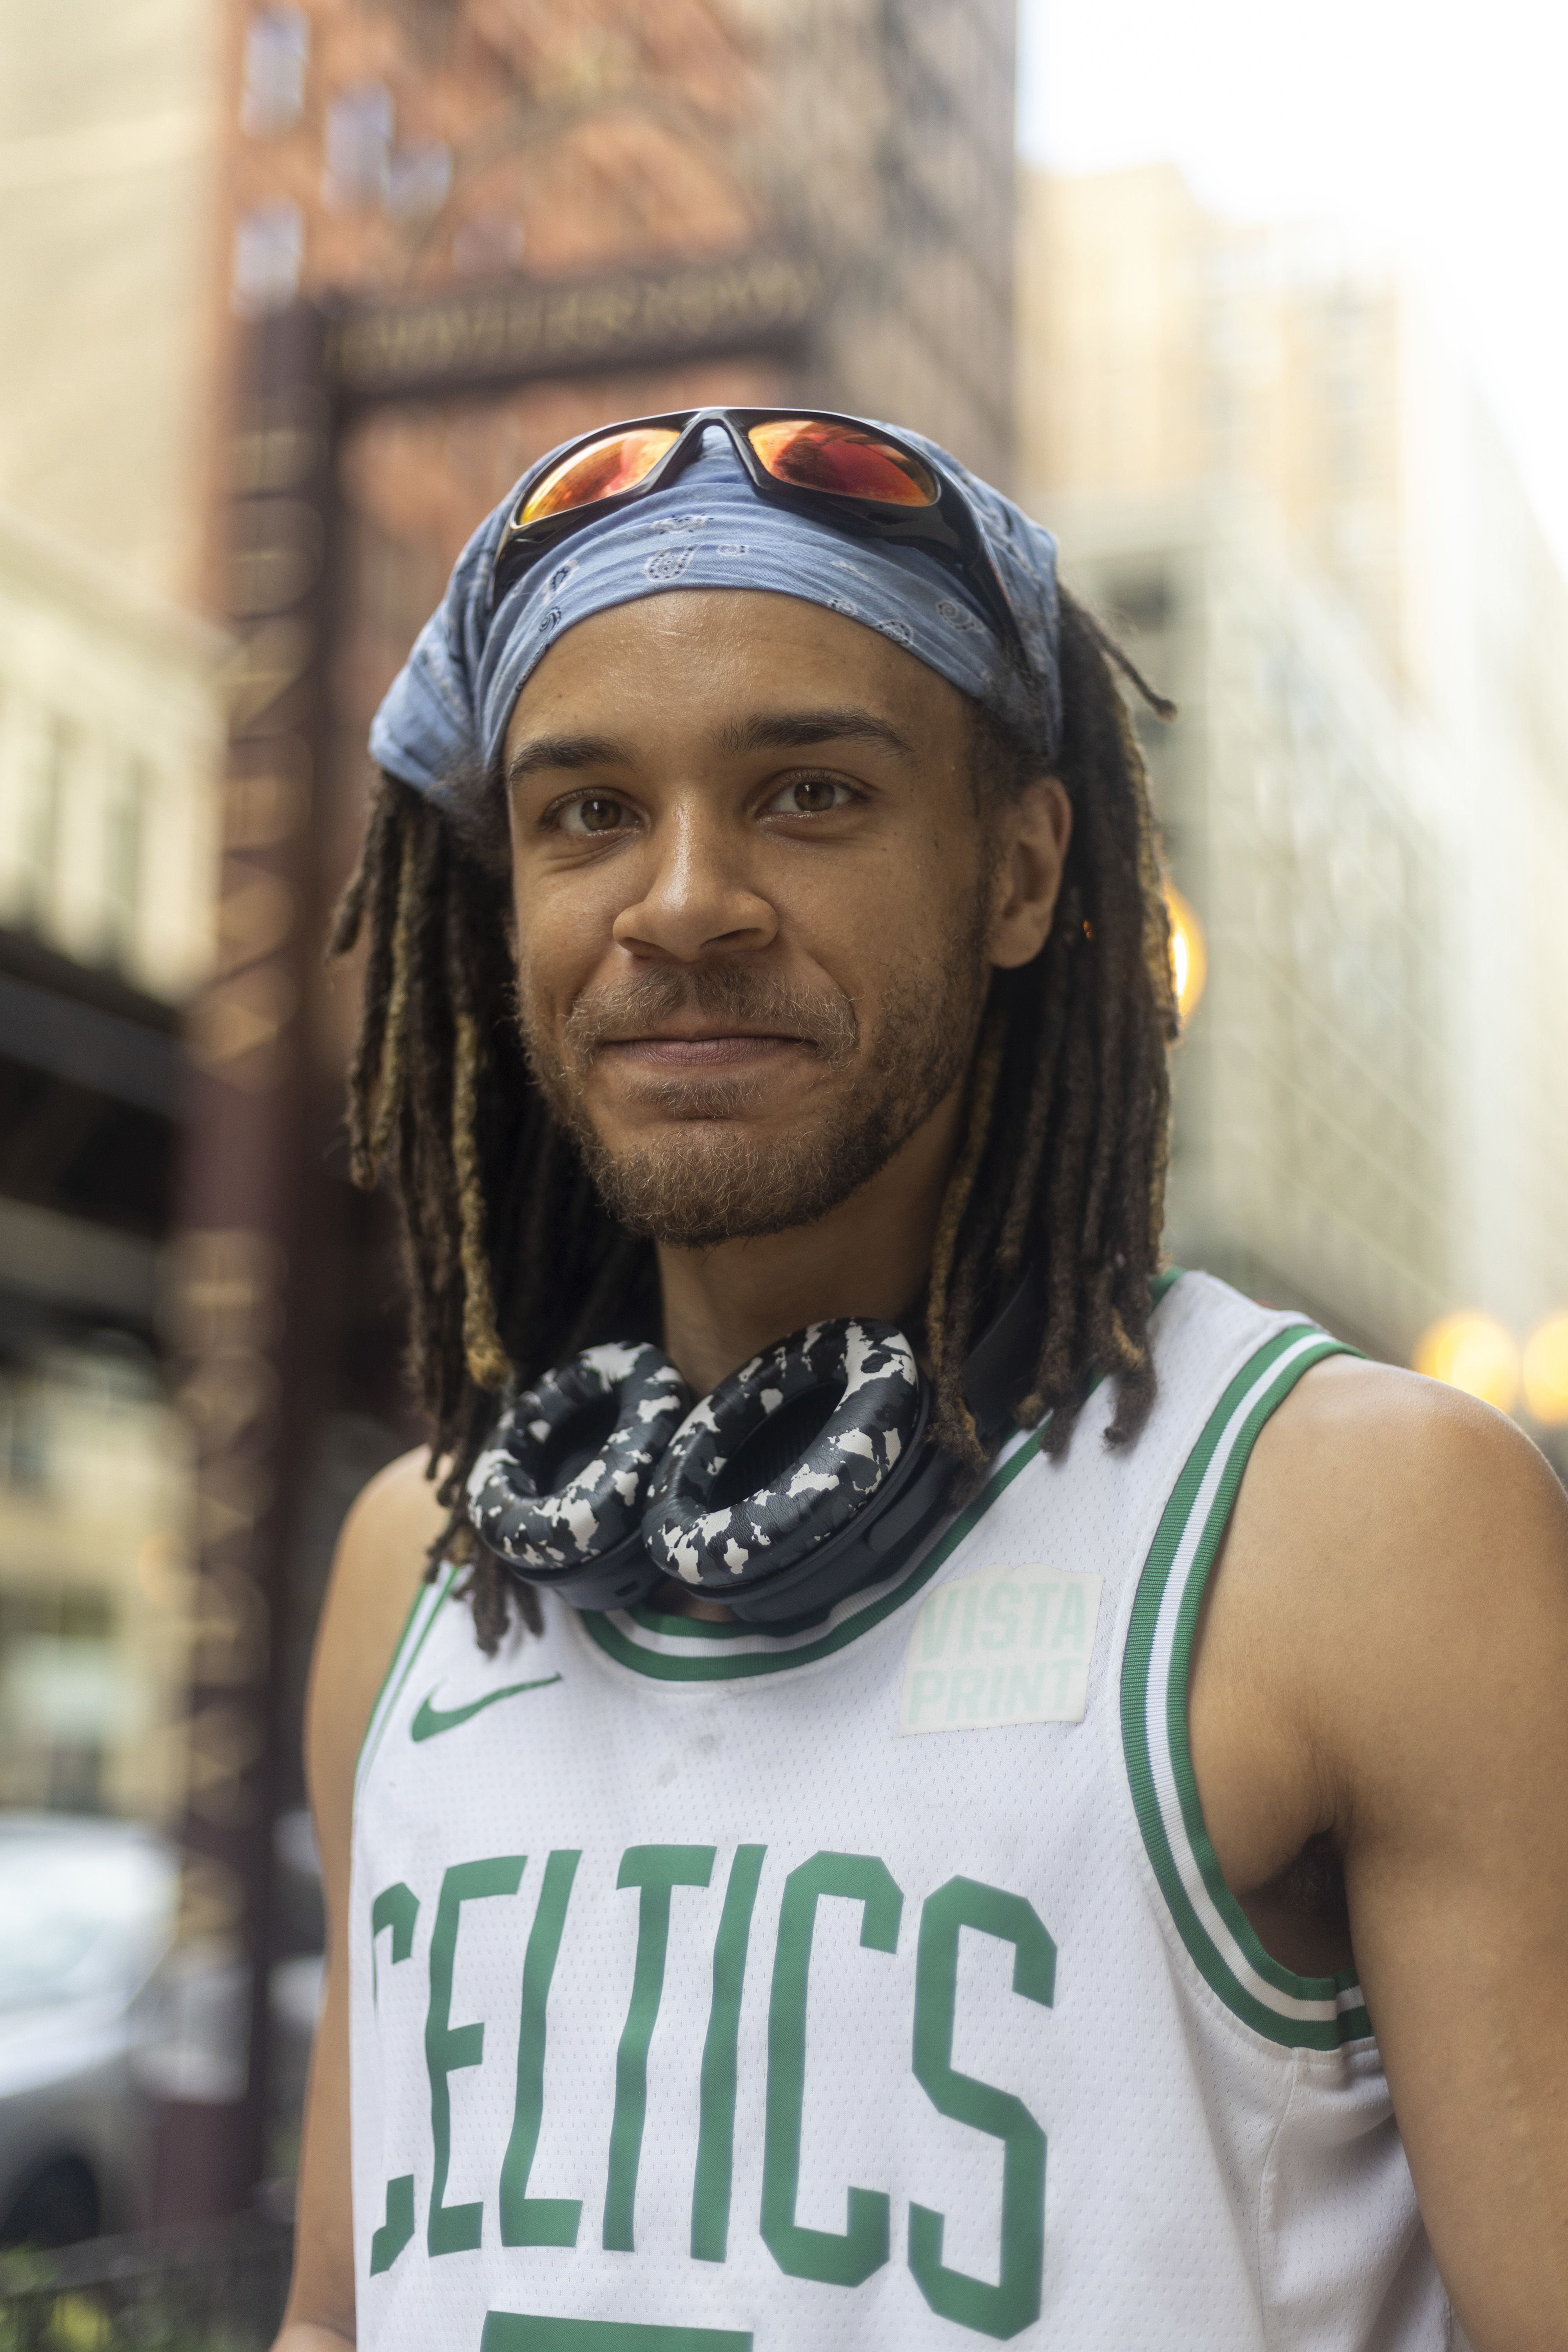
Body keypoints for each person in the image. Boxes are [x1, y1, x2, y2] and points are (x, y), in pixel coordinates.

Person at [276, 412, 1568, 2352]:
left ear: (1024, 875)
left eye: (807, 794)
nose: (681, 899)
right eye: (589, 813)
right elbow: (332, 2323)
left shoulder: (1358, 1524)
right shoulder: (421, 1564)